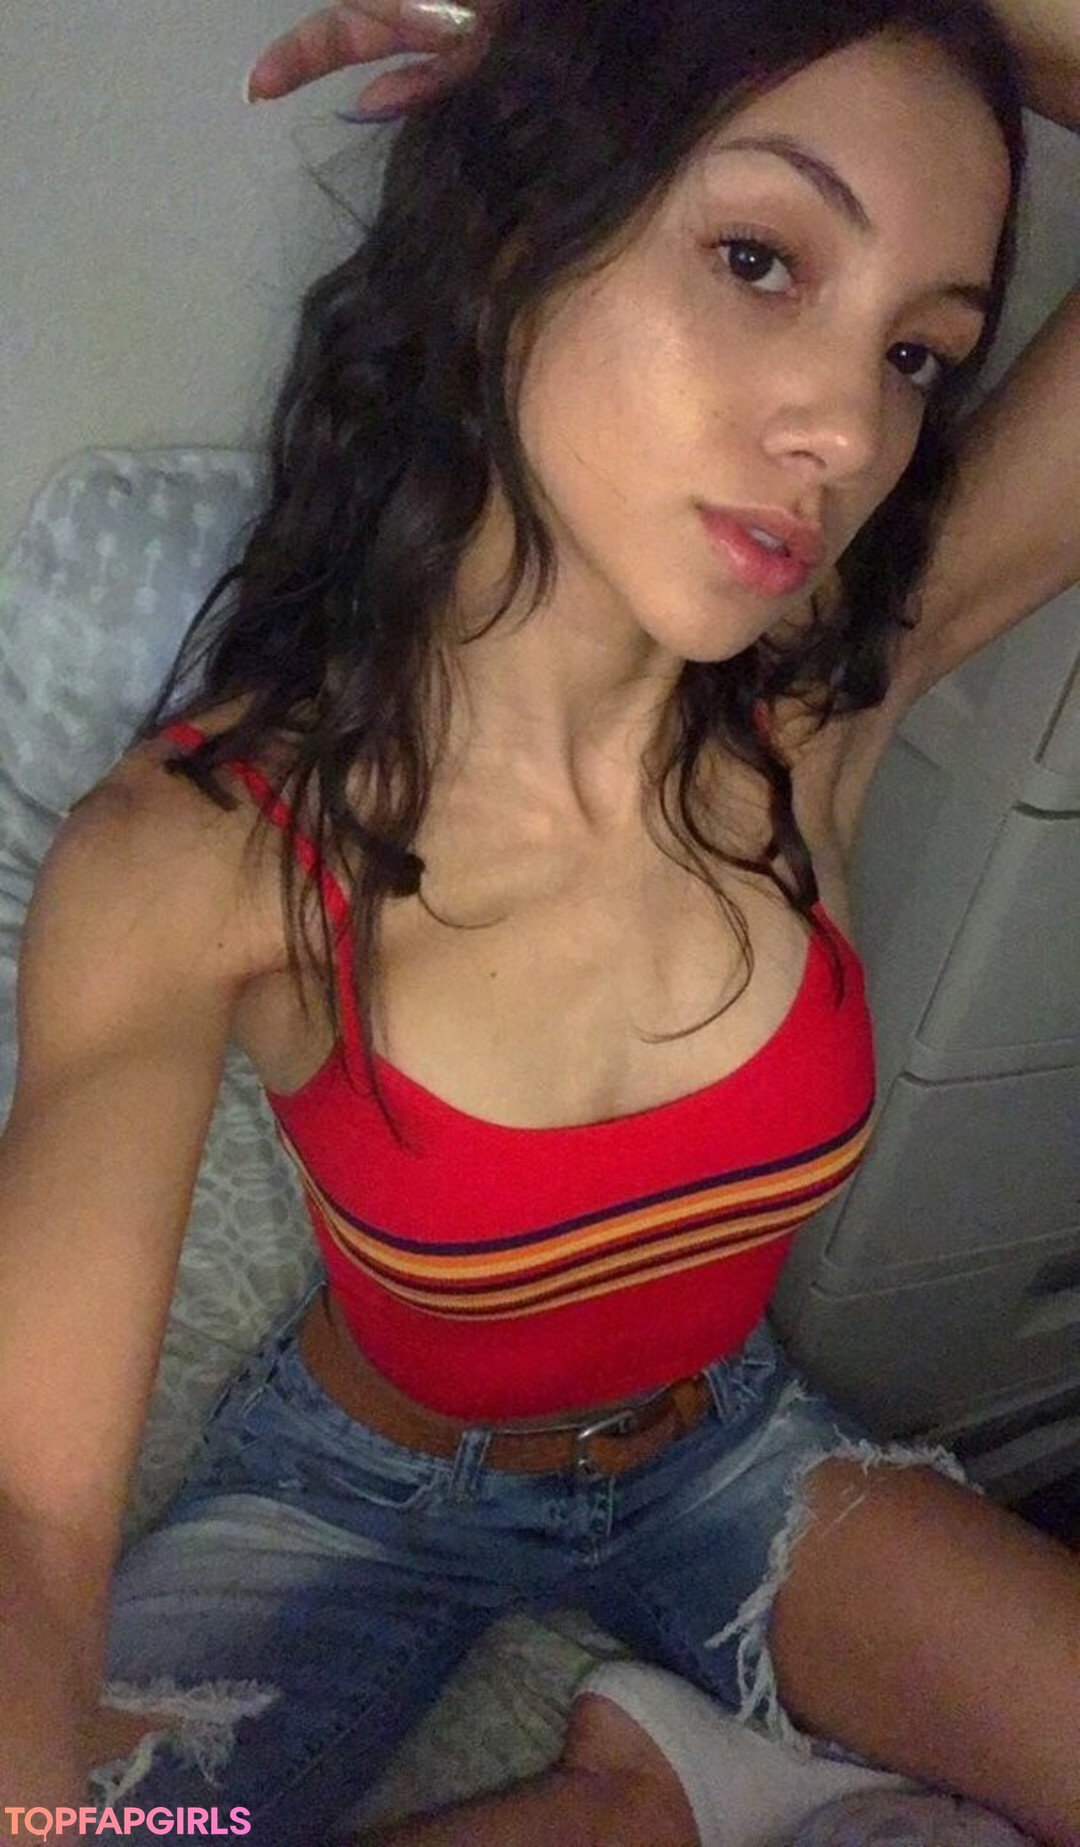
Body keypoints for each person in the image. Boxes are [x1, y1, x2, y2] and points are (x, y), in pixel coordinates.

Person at [1, 0, 1078, 1841]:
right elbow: (29, 1520)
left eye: (917, 352)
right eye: (759, 260)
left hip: (729, 1456)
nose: (844, 428)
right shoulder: (199, 858)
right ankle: (635, 1798)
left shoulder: (818, 699)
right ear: (517, 225)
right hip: (360, 1491)